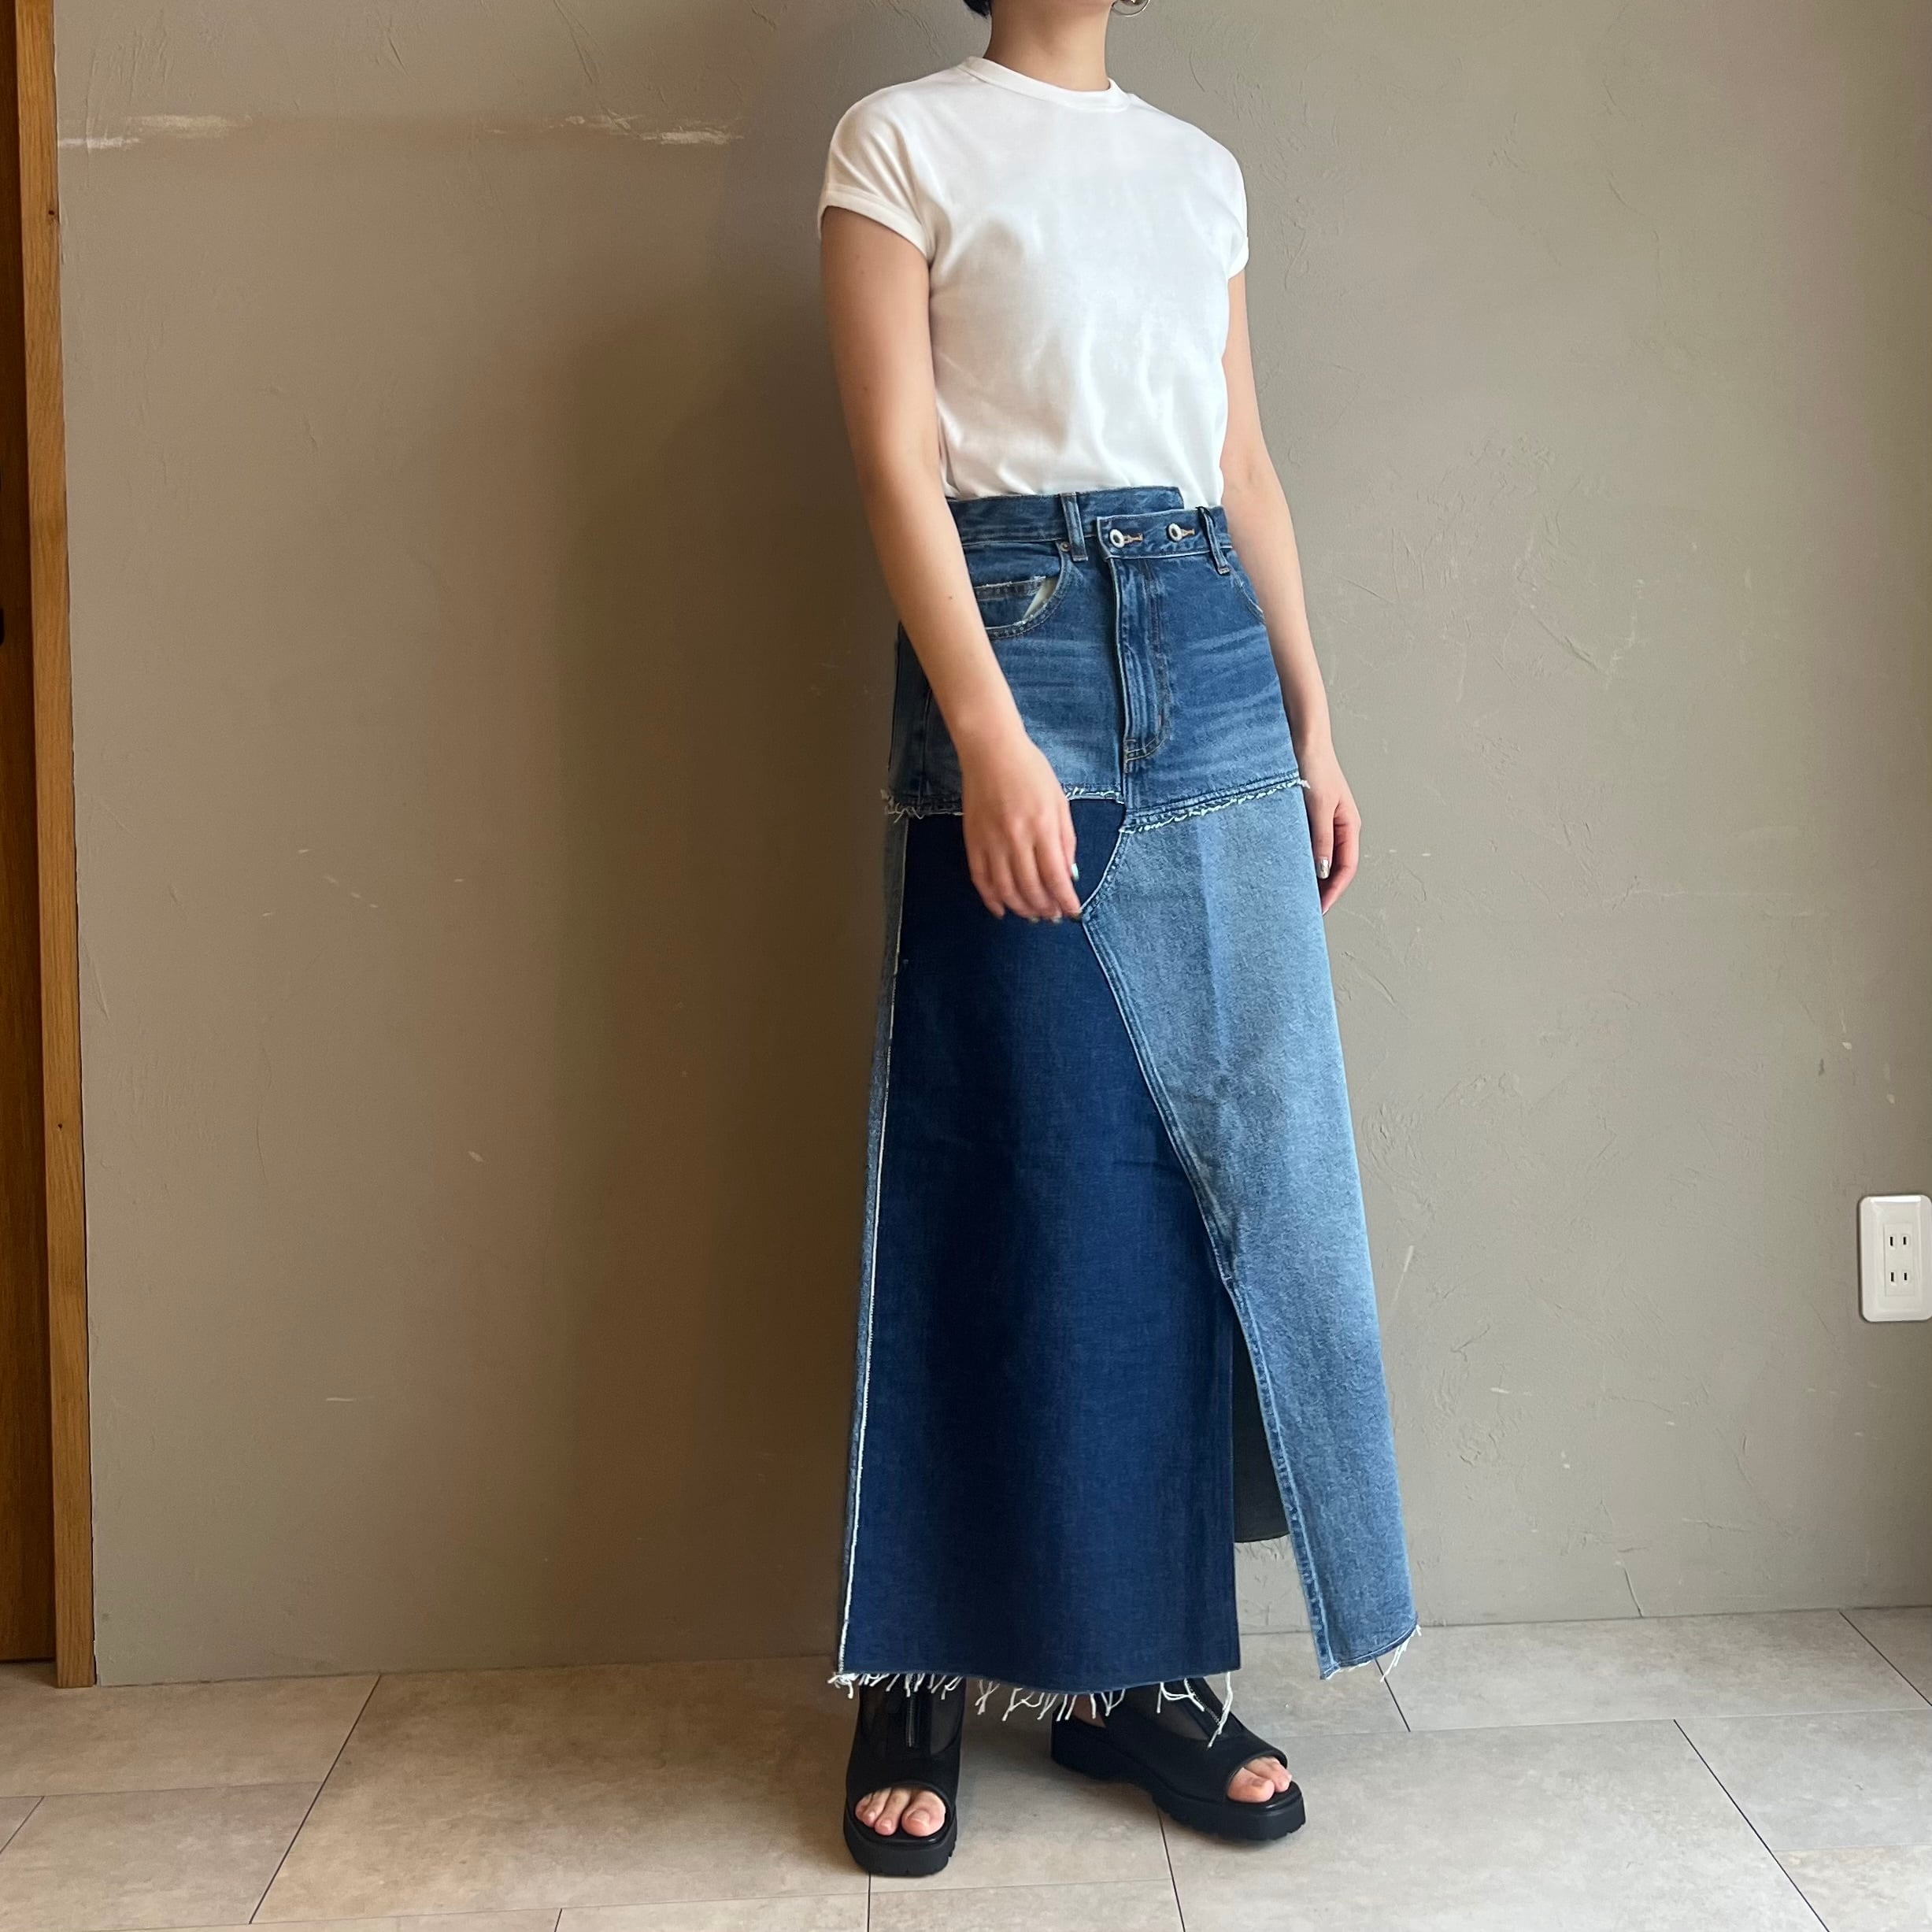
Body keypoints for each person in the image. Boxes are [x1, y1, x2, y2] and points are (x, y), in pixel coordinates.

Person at [816, 0, 1417, 1880]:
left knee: (1207, 1183)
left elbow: (1243, 463)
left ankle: (1136, 1677)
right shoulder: (898, 139)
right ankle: (918, 1668)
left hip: (1211, 651)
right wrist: (988, 731)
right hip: (1015, 651)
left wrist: (1314, 719)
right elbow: (895, 460)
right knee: (1001, 1159)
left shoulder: (1197, 170)